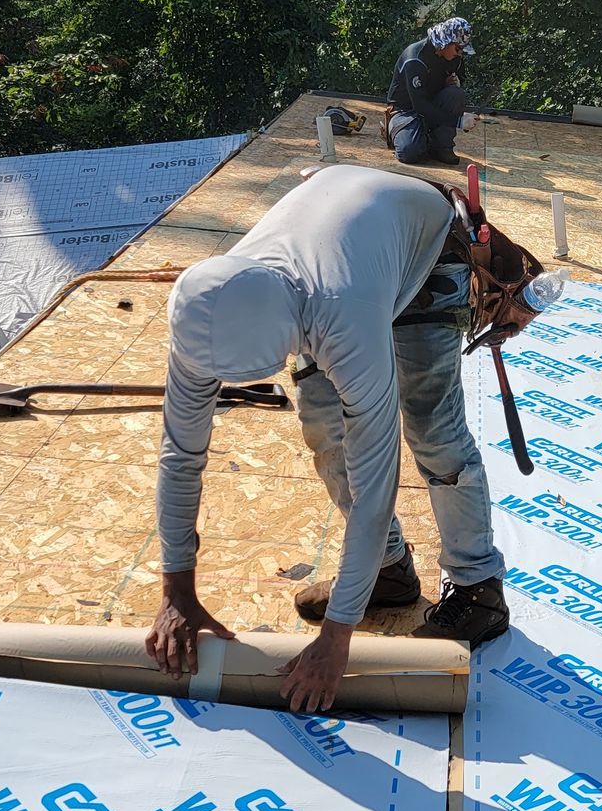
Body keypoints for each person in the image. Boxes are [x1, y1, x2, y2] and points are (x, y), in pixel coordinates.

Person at [146, 163, 527, 714]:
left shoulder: (341, 316)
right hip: (344, 252)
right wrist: (176, 591)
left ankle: (478, 587)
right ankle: (387, 571)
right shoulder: (204, 307)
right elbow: (180, 457)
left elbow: (378, 482)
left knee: (431, 428)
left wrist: (337, 639)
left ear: (292, 334)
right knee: (324, 426)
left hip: (426, 246)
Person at [387, 17, 473, 165]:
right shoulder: (414, 58)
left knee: (455, 94)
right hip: (405, 111)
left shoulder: (454, 58)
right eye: (458, 49)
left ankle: (442, 147)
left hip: (432, 104)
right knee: (409, 153)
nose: (460, 54)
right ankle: (399, 134)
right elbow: (420, 106)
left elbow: (459, 78)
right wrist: (458, 121)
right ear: (445, 42)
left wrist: (456, 82)